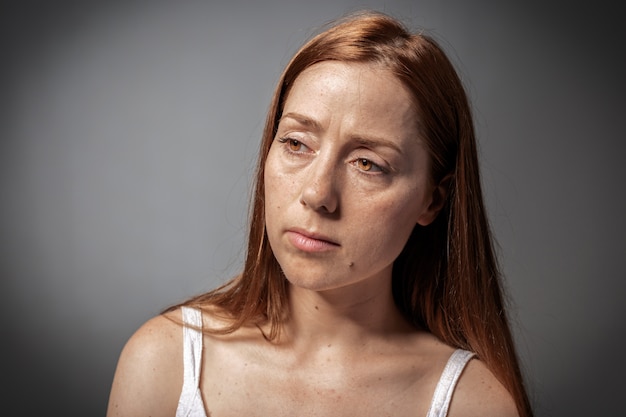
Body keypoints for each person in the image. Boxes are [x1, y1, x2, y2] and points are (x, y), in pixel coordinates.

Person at [106, 10, 533, 417]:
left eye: (368, 163)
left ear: (432, 201)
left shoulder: (473, 404)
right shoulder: (164, 362)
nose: (317, 194)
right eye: (296, 143)